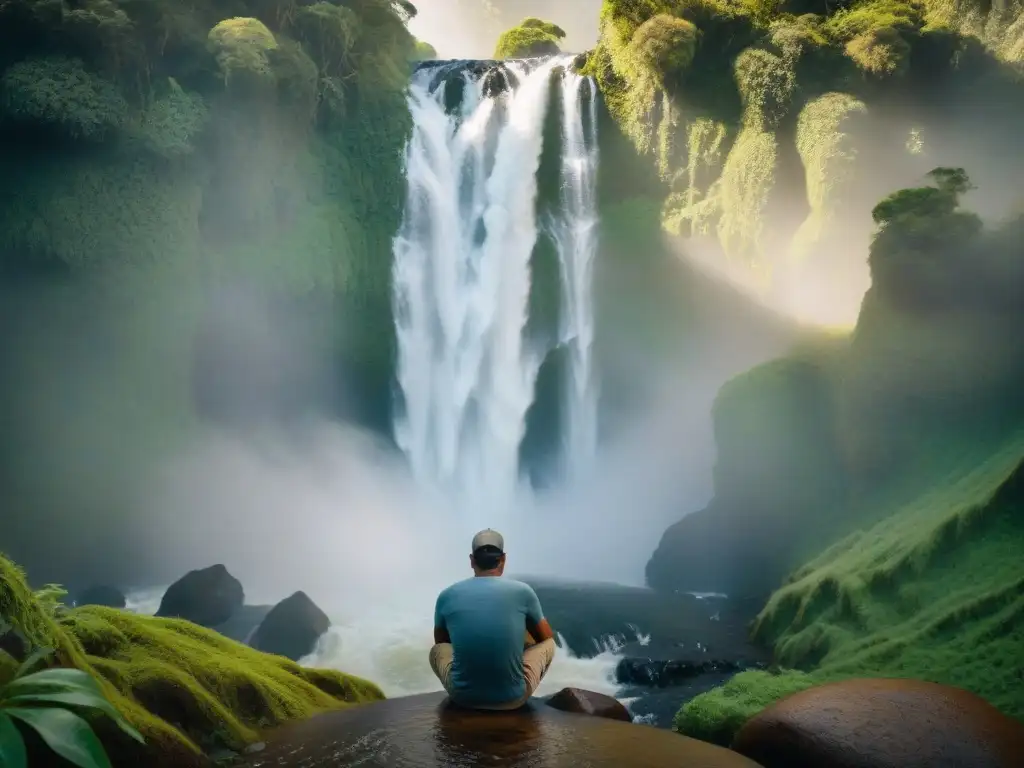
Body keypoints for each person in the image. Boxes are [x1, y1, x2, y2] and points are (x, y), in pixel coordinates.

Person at [429, 529, 557, 710]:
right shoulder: (523, 591)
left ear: (472, 560)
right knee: (549, 644)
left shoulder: (447, 595)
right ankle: (509, 679)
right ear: (503, 559)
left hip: (462, 698)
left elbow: (442, 641)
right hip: (512, 700)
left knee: (438, 650)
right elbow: (545, 636)